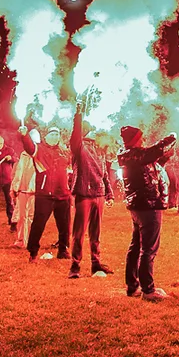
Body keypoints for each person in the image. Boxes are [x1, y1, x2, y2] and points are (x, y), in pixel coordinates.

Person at [118, 125, 177, 301]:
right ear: (135, 140)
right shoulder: (132, 154)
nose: (143, 140)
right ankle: (148, 290)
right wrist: (167, 140)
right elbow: (148, 156)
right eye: (140, 138)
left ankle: (133, 286)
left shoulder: (131, 155)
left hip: (141, 205)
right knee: (148, 249)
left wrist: (164, 156)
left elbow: (150, 165)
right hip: (147, 205)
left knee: (136, 247)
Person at [69, 96, 116, 279]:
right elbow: (75, 135)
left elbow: (104, 173)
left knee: (96, 233)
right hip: (84, 194)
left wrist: (109, 194)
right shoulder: (80, 147)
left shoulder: (100, 149)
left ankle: (96, 264)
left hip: (99, 195)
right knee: (79, 232)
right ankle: (75, 266)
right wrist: (78, 114)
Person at [21, 125, 73, 262]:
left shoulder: (64, 152)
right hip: (45, 195)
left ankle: (63, 249)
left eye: (57, 135)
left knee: (64, 225)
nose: (55, 137)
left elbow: (70, 169)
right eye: (52, 135)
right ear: (46, 136)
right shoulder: (39, 149)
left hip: (63, 194)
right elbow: (28, 146)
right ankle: (33, 252)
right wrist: (24, 135)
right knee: (38, 224)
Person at [10, 146, 36, 248]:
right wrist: (15, 187)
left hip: (34, 190)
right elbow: (19, 171)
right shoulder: (24, 155)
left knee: (30, 216)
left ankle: (30, 240)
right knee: (22, 216)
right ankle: (21, 240)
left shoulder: (40, 154)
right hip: (23, 189)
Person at [0, 136, 16, 230]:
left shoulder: (9, 150)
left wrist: (11, 158)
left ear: (3, 142)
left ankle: (11, 220)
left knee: (10, 201)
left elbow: (15, 159)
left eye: (0, 144)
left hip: (7, 179)